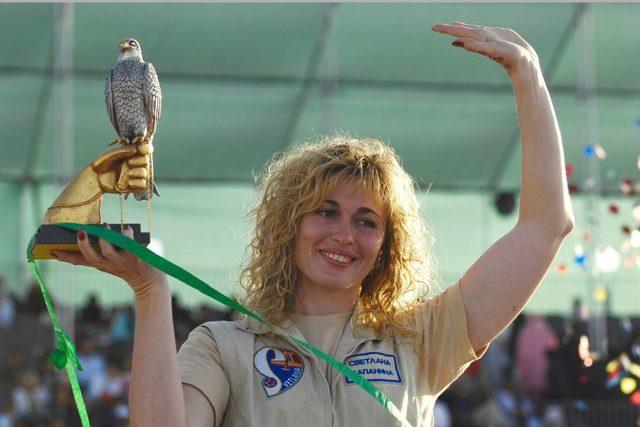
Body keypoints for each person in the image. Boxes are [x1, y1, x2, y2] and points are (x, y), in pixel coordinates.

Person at [52, 22, 575, 426]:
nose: (344, 234)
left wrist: (527, 72)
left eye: (367, 220)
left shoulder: (420, 338)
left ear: (387, 244)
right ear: (289, 224)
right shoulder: (223, 347)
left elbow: (545, 226)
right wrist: (150, 292)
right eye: (326, 211)